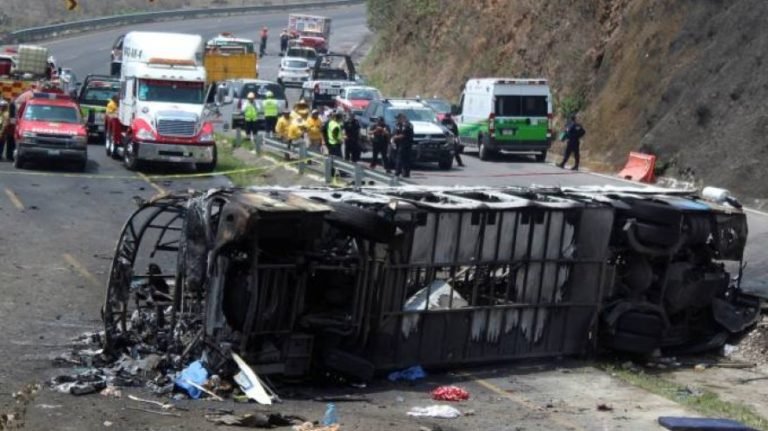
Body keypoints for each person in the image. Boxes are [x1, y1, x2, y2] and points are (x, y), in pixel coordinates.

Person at [392, 112, 414, 178]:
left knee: (400, 158)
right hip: (402, 144)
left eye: (399, 118)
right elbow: (397, 131)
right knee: (404, 159)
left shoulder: (407, 125)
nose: (397, 120)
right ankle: (405, 173)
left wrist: (395, 137)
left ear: (402, 118)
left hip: (405, 144)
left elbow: (403, 135)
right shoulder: (400, 124)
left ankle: (398, 172)